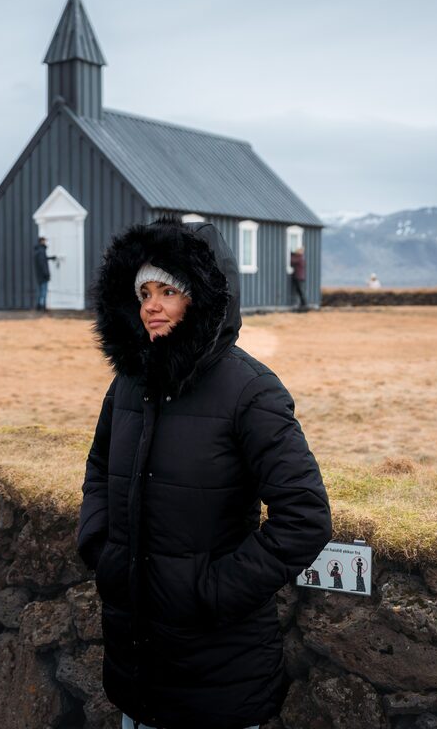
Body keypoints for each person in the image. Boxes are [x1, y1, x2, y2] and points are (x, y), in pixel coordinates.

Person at [77, 218, 332, 729]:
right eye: (144, 291)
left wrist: (211, 591)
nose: (151, 305)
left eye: (168, 291)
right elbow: (100, 470)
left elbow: (304, 517)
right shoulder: (129, 383)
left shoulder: (250, 391)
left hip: (221, 677)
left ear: (203, 298)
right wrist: (102, 547)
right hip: (137, 672)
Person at [33, 236, 58, 311]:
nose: (45, 242)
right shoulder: (41, 251)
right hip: (43, 276)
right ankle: (42, 306)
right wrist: (46, 274)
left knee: (40, 291)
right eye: (44, 241)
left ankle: (39, 305)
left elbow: (43, 259)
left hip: (39, 275)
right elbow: (42, 264)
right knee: (43, 291)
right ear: (41, 241)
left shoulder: (38, 251)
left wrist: (50, 258)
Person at [289, 246, 307, 311]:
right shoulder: (301, 258)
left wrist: (289, 254)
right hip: (300, 277)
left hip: (298, 277)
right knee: (299, 291)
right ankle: (303, 303)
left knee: (299, 291)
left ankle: (303, 303)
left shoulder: (299, 258)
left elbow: (292, 261)